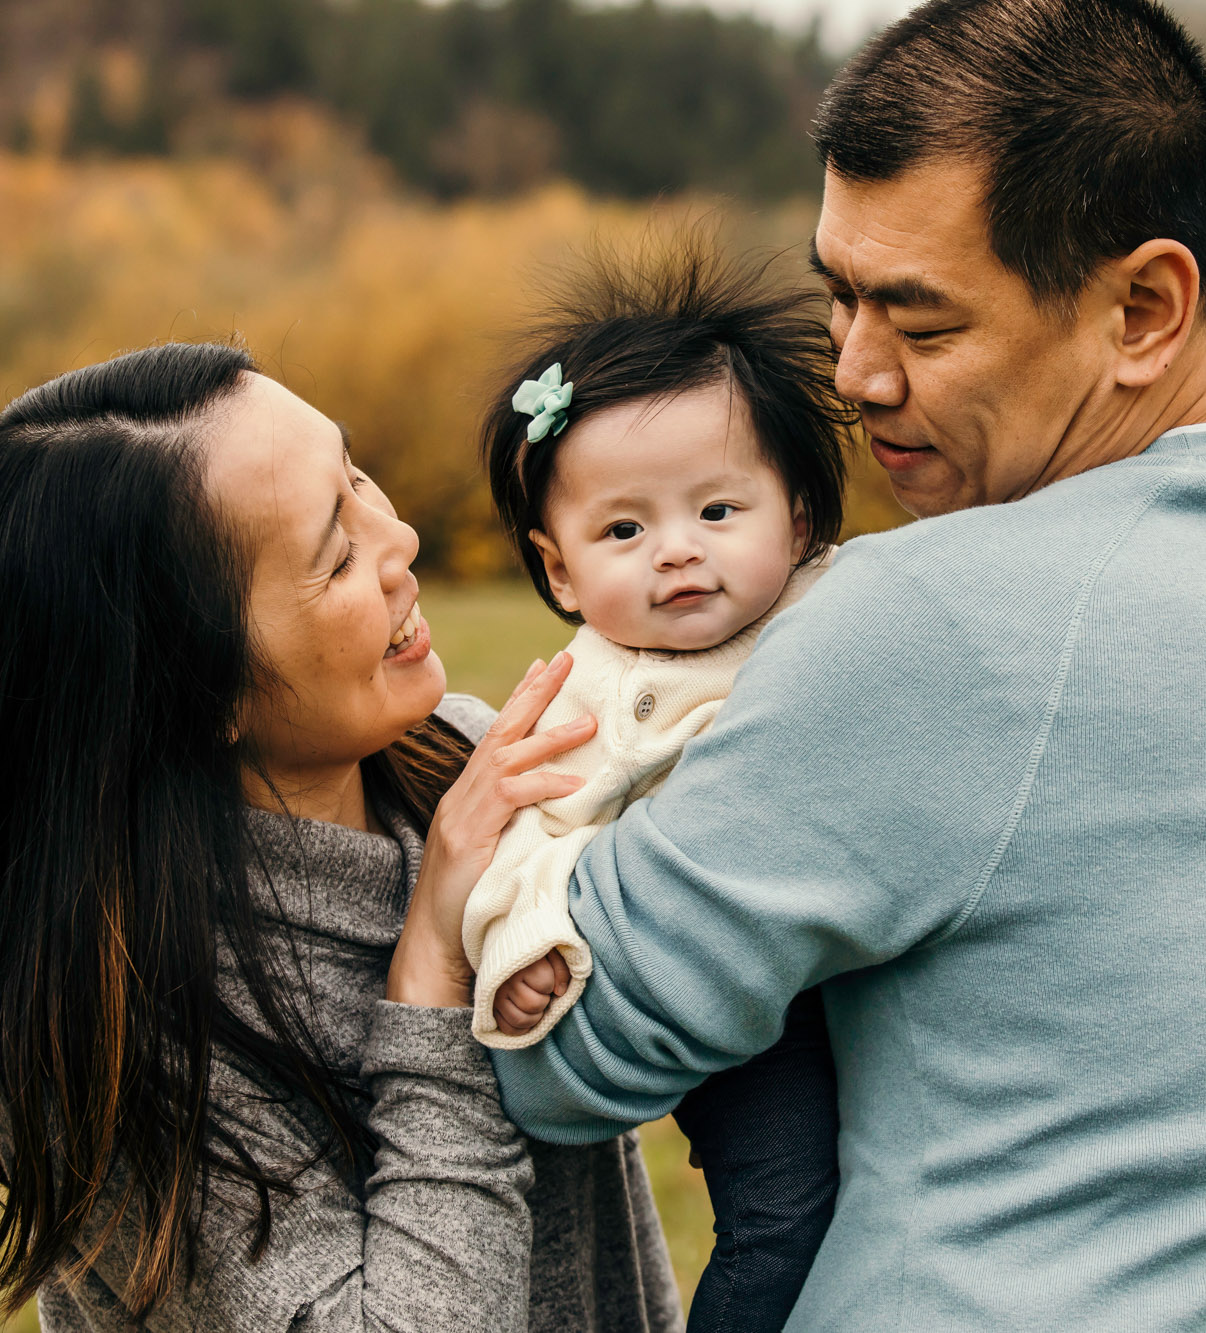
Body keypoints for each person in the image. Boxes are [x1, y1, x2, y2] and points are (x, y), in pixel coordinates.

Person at [404, 0, 1206, 1327]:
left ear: (1144, 309)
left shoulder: (939, 616)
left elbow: (570, 1053)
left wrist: (455, 869)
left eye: (922, 324)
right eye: (839, 295)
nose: (855, 375)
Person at [0, 342, 682, 1332]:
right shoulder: (119, 1033)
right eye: (334, 555)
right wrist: (432, 983)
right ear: (197, 692)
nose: (399, 537)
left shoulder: (463, 767)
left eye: (355, 474)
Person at [462, 248, 851, 1333]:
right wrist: (523, 946)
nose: (676, 553)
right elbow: (526, 846)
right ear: (557, 569)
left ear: (802, 518)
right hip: (733, 1010)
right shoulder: (582, 699)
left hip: (863, 948)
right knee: (785, 1215)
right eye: (623, 530)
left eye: (718, 510)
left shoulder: (845, 611)